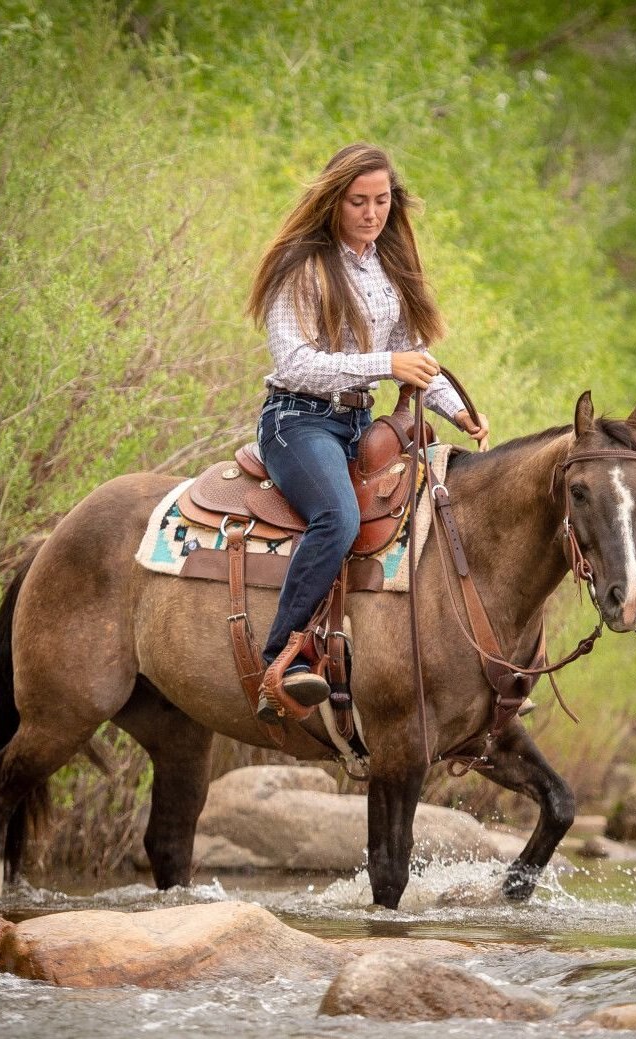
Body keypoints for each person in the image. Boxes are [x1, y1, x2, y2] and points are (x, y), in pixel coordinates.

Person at [246, 142, 489, 722]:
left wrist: (457, 409)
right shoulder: (301, 268)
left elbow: (411, 354)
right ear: (334, 201)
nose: (372, 213)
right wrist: (385, 366)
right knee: (340, 517)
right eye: (359, 201)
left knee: (436, 509)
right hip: (297, 420)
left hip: (358, 423)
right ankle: (281, 660)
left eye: (382, 201)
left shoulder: (386, 268)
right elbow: (297, 362)